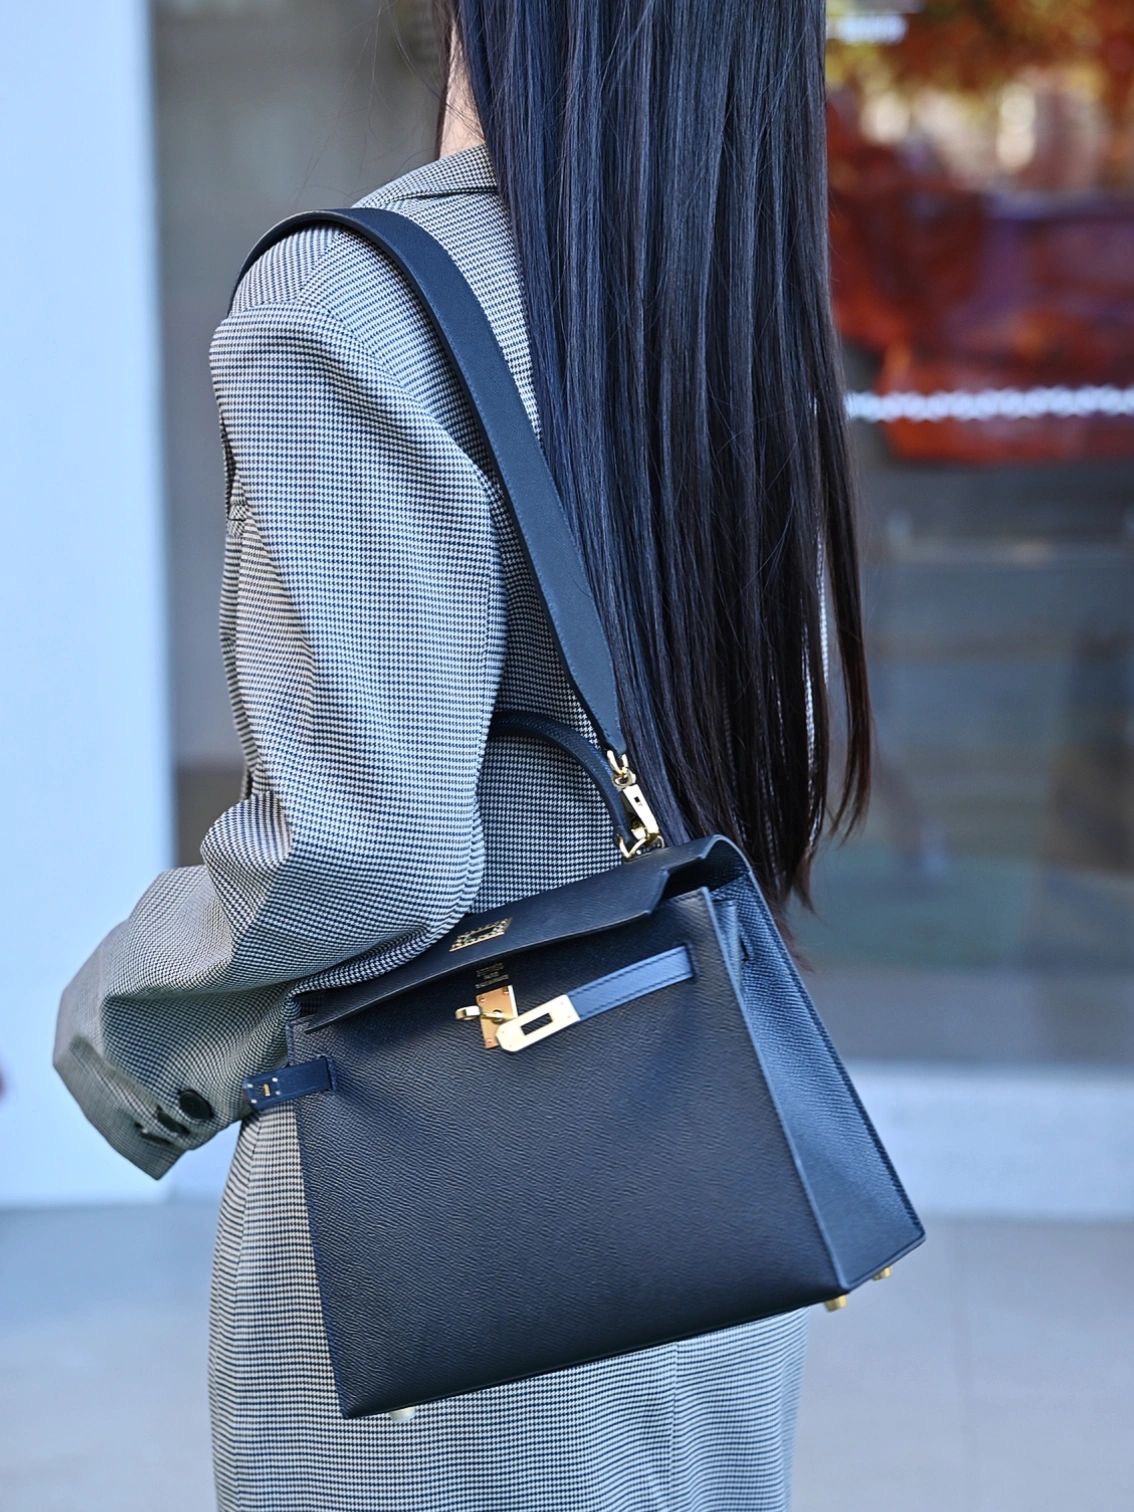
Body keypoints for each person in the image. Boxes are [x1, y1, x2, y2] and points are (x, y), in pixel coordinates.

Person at [54, 2, 871, 1506]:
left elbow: (369, 850)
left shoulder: (355, 301)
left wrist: (128, 1025)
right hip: (704, 1164)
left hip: (447, 1203)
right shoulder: (722, 279)